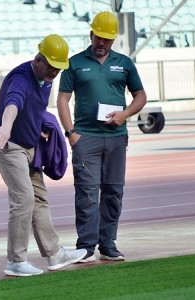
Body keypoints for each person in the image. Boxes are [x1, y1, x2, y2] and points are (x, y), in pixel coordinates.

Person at [0, 34, 87, 277]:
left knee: (39, 198)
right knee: (23, 199)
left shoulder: (47, 77)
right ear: (38, 59)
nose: (55, 71)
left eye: (58, 68)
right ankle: (16, 260)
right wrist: (6, 125)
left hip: (30, 143)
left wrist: (38, 129)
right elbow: (14, 102)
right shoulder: (21, 78)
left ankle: (54, 254)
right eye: (52, 66)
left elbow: (36, 107)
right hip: (8, 143)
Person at [57, 11, 147, 263]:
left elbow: (140, 95)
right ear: (91, 34)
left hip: (117, 137)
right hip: (85, 138)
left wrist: (125, 115)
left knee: (113, 192)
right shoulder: (74, 63)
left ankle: (108, 243)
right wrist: (71, 133)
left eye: (107, 40)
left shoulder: (125, 63)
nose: (102, 43)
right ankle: (86, 246)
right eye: (99, 38)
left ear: (113, 39)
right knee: (86, 192)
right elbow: (63, 99)